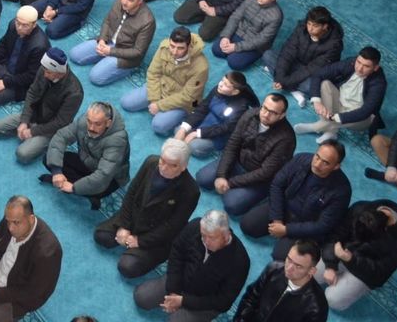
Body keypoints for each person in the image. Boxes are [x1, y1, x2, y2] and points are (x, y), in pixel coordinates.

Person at [95, 139, 201, 278]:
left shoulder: (191, 191)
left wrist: (140, 241)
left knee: (127, 267)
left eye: (172, 165)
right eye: (163, 161)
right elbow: (131, 193)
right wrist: (124, 226)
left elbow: (172, 226)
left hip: (157, 234)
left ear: (183, 167)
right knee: (101, 236)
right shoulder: (151, 162)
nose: (164, 168)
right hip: (135, 217)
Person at [239, 141, 352, 260]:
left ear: (336, 166)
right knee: (247, 225)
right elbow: (277, 185)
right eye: (317, 156)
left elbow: (322, 225)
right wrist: (276, 218)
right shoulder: (300, 159)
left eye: (325, 163)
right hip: (284, 207)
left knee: (282, 256)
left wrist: (287, 230)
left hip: (306, 223)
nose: (317, 164)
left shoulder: (341, 191)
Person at [133, 210, 250, 321]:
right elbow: (176, 253)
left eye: (211, 237)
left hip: (204, 301)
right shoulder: (195, 226)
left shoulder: (240, 262)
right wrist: (173, 289)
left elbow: (223, 301)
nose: (206, 241)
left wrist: (184, 301)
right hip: (181, 280)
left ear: (226, 235)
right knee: (142, 297)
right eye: (203, 235)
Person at [196, 93, 295, 216]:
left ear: (282, 115)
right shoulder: (250, 114)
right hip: (238, 161)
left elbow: (266, 172)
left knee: (232, 204)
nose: (266, 114)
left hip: (260, 177)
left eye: (273, 112)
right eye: (264, 108)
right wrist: (221, 174)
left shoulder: (286, 139)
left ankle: (262, 194)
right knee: (202, 178)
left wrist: (231, 182)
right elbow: (233, 144)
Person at [316, 199, 397, 310]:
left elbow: (379, 275)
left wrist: (351, 260)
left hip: (365, 271)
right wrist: (330, 265)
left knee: (333, 300)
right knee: (310, 272)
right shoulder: (360, 208)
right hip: (343, 252)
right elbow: (334, 236)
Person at [43, 101, 131, 210]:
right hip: (87, 162)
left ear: (108, 123)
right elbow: (61, 137)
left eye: (97, 124)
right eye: (89, 121)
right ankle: (82, 188)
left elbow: (103, 175)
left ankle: (81, 188)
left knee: (98, 187)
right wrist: (57, 172)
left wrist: (74, 188)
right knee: (49, 159)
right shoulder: (83, 121)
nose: (91, 128)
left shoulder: (118, 140)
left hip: (111, 177)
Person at [69, 0, 157, 87]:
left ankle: (126, 68)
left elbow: (138, 52)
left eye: (130, 0)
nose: (124, 2)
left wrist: (110, 51)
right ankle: (105, 57)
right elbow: (107, 21)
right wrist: (102, 39)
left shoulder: (148, 21)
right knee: (74, 54)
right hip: (108, 41)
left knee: (95, 77)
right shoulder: (120, 1)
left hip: (125, 53)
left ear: (140, 1)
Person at [125, 27, 209, 136]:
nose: (174, 52)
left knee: (158, 125)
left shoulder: (201, 67)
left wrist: (160, 106)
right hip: (161, 87)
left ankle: (183, 117)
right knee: (126, 103)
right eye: (172, 46)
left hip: (181, 101)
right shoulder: (164, 48)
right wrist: (154, 99)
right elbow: (153, 73)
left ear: (189, 46)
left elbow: (188, 97)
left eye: (180, 48)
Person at [294, 48, 387, 143]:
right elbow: (319, 74)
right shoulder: (350, 63)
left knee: (369, 118)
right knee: (325, 84)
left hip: (358, 116)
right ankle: (331, 132)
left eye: (366, 66)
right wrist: (317, 101)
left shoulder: (379, 83)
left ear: (375, 68)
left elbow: (365, 111)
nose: (359, 68)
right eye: (358, 62)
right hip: (339, 102)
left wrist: (337, 117)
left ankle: (315, 127)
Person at [0, 6, 50, 106]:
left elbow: (31, 76)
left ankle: (20, 94)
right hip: (6, 66)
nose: (19, 28)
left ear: (34, 25)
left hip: (21, 79)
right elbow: (3, 45)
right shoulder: (12, 25)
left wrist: (6, 83)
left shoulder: (40, 46)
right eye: (18, 23)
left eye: (25, 25)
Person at [232, 239, 329, 322]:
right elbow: (251, 298)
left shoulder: (316, 306)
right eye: (289, 259)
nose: (289, 268)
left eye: (298, 266)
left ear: (311, 271)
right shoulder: (273, 269)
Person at [173, 72, 259, 159]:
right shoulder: (218, 89)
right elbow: (202, 108)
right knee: (179, 130)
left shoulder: (240, 107)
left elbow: (225, 128)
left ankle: (215, 150)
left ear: (235, 92)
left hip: (218, 134)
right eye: (222, 80)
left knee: (194, 146)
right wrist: (185, 127)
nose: (220, 84)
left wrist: (197, 133)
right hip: (206, 122)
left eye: (226, 85)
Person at [264, 6, 344, 97]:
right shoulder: (302, 28)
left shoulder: (334, 45)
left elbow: (312, 69)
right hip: (296, 62)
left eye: (315, 26)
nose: (310, 28)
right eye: (309, 24)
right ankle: (291, 86)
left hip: (312, 73)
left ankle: (285, 82)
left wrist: (284, 82)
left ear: (325, 26)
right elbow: (288, 52)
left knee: (310, 87)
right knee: (268, 55)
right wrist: (280, 78)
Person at [212, 0, 283, 71]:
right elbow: (235, 17)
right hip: (238, 33)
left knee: (234, 62)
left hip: (256, 45)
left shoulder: (276, 16)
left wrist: (236, 47)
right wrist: (226, 36)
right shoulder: (250, 0)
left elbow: (261, 40)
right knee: (216, 50)